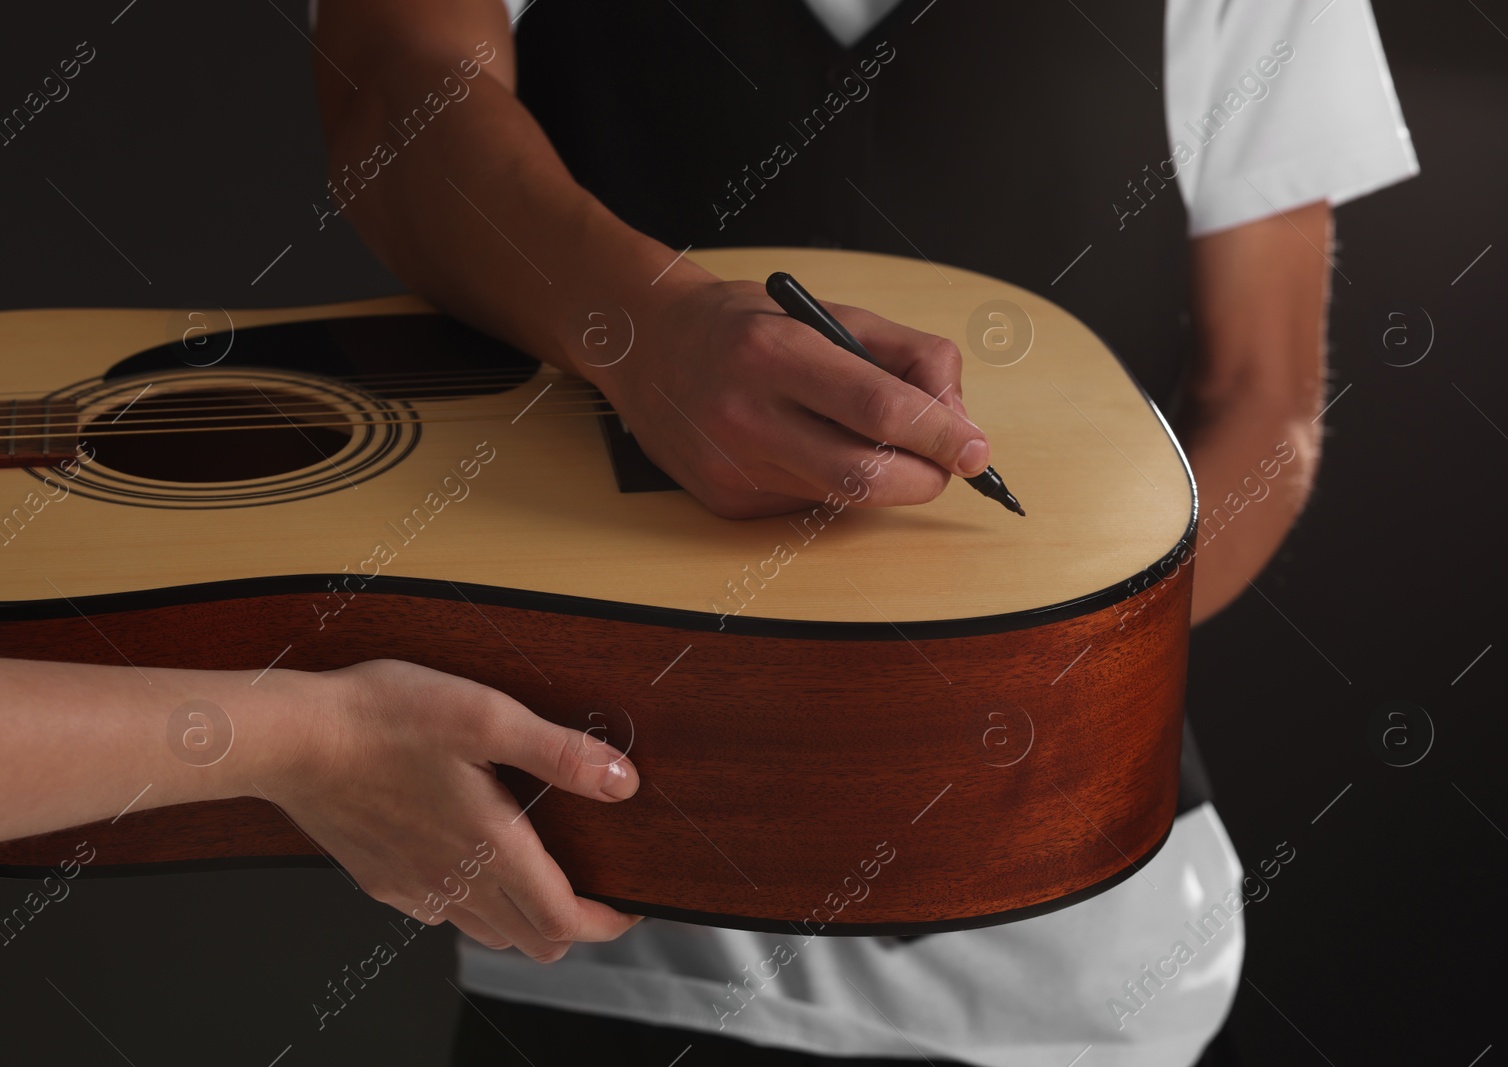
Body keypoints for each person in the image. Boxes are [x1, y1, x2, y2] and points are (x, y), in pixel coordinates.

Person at [0, 1, 1416, 1065]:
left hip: (1082, 962)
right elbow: (401, 95)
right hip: (604, 913)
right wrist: (646, 327)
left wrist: (1028, 683)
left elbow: (1264, 410)